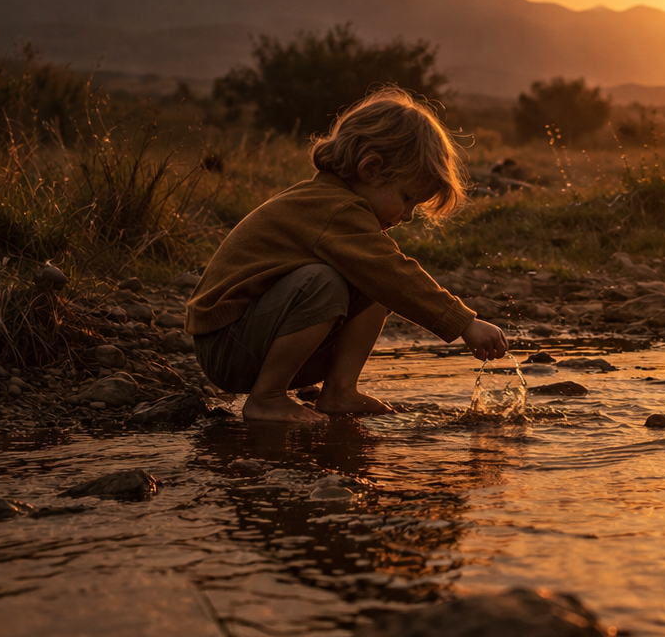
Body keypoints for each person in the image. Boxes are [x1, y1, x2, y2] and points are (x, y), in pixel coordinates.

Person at [185, 88, 507, 423]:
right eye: (407, 198)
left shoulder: (338, 206)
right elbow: (392, 271)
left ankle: (339, 391)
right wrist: (463, 323)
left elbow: (385, 277)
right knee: (331, 280)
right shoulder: (333, 208)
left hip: (252, 340)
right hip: (227, 348)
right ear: (371, 169)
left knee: (373, 282)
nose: (409, 214)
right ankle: (266, 397)